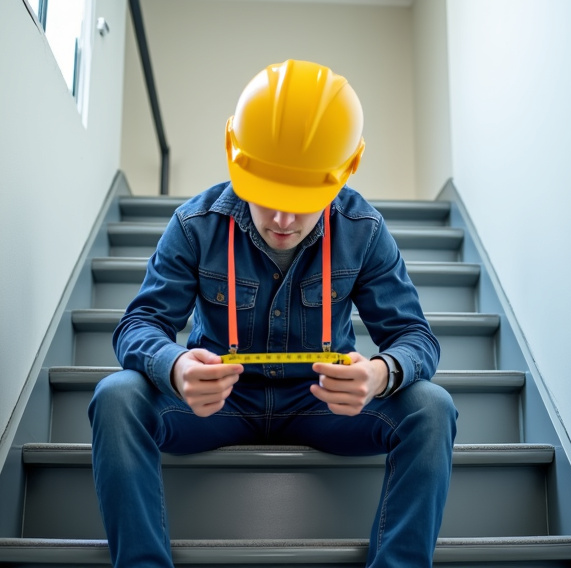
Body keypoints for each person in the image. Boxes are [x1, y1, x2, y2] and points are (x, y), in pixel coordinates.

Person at [89, 59, 458, 568]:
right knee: (116, 397)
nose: (283, 219)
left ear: (343, 174)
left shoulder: (364, 231)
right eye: (268, 196)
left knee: (431, 408)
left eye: (302, 201)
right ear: (236, 161)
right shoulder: (196, 225)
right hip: (216, 406)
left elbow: (416, 338)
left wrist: (379, 374)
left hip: (323, 406)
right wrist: (175, 367)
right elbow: (139, 324)